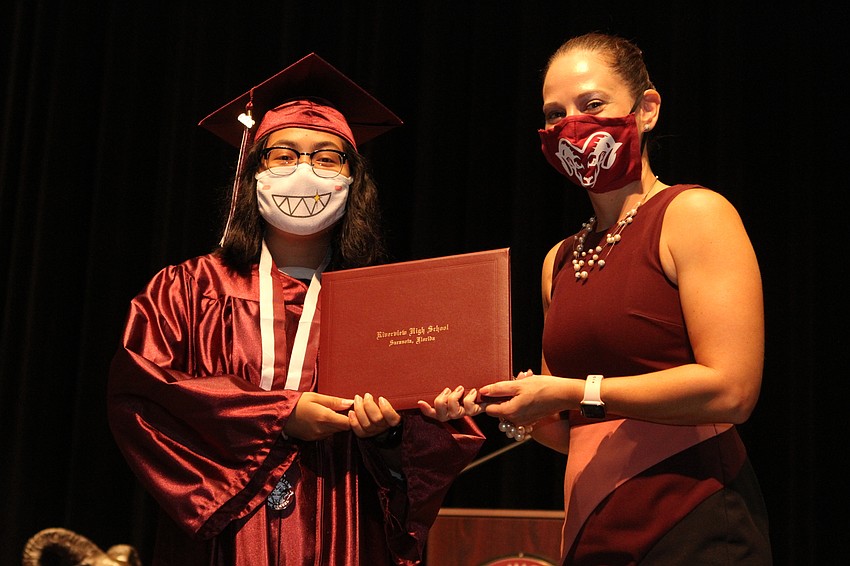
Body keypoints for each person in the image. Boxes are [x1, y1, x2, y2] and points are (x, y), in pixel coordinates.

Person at [107, 53, 484, 566]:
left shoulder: (386, 303)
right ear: (252, 172)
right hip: (226, 538)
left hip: (344, 525)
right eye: (282, 155)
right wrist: (280, 416)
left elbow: (433, 449)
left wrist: (392, 434)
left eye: (327, 158)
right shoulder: (187, 290)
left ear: (354, 179)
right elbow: (144, 397)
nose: (304, 170)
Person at [477, 33, 772, 564]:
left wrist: (577, 389)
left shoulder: (694, 215)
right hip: (593, 532)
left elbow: (733, 390)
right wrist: (507, 407)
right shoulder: (558, 260)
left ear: (647, 109)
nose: (571, 126)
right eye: (555, 114)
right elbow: (571, 429)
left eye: (592, 105)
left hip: (693, 520)